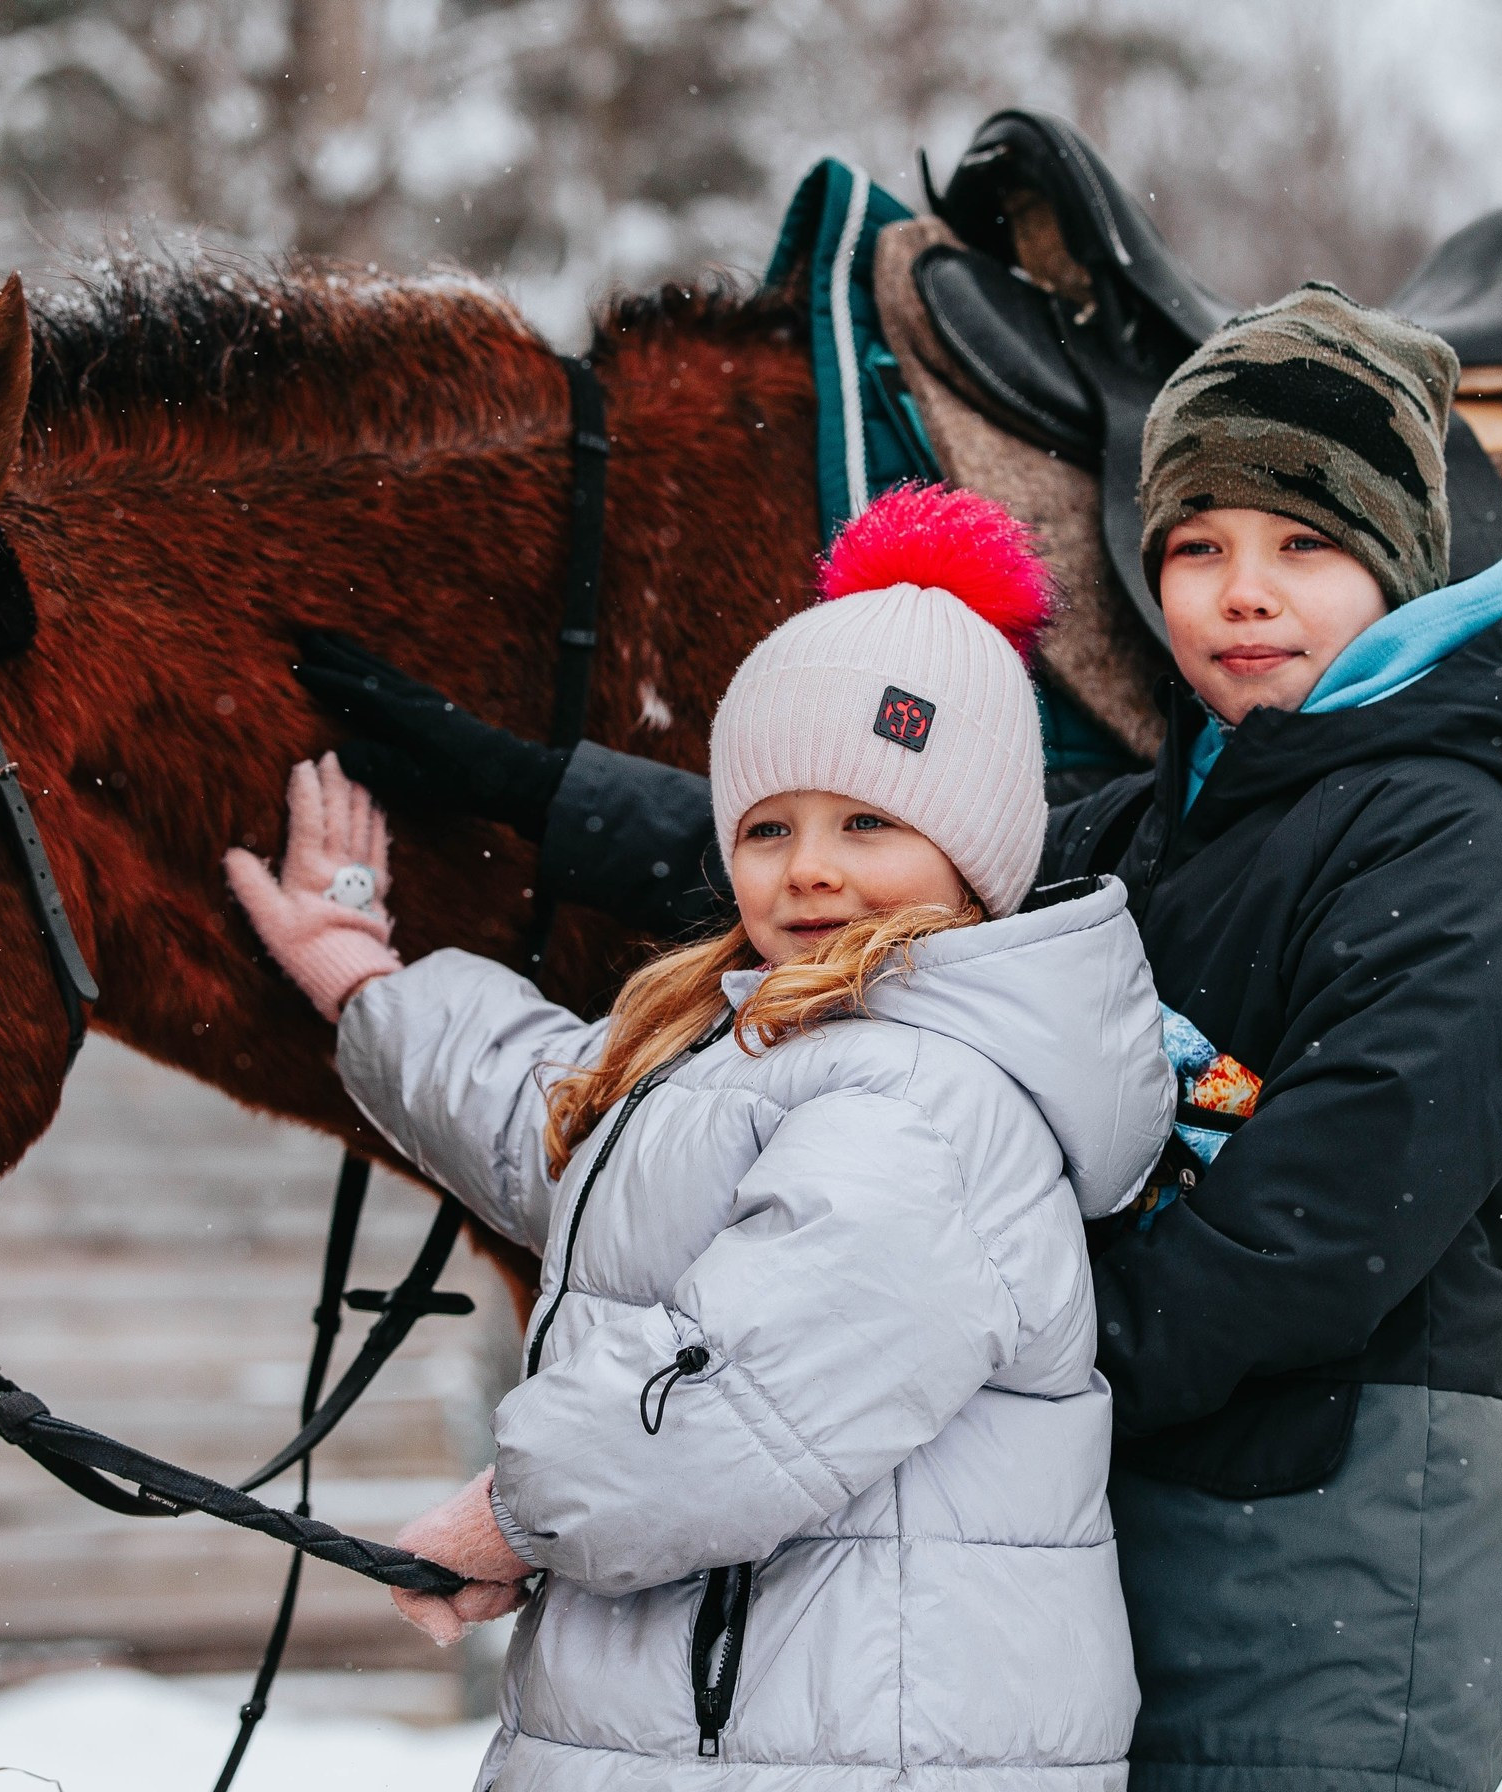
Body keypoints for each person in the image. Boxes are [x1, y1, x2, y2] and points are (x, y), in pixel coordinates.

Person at [295, 286, 1502, 1792]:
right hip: (1218, 1469)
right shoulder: (1187, 812)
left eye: (1304, 545)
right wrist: (523, 788)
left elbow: (1322, 1228)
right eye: (1198, 548)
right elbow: (885, 861)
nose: (1242, 592)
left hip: (1357, 1503)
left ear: (1399, 568)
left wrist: (986, 1357)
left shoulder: (1454, 840)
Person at [229, 484, 1171, 1790]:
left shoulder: (931, 1099)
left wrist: (516, 1516)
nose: (811, 869)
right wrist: (361, 976)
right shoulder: (759, 1047)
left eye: (870, 823)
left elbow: (745, 1397)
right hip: (748, 1732)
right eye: (767, 826)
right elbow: (563, 1125)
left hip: (832, 1744)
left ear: (979, 851)